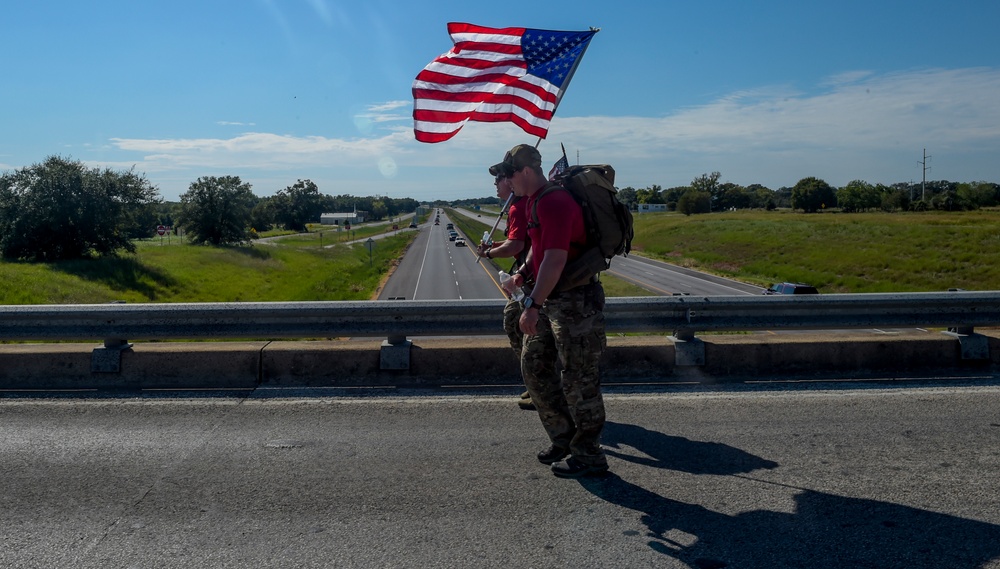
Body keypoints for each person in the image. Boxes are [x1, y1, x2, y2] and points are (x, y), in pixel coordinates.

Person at [493, 144, 609, 478]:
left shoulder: (555, 201)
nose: (506, 182)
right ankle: (564, 439)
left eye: (509, 175)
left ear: (525, 172)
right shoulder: (535, 202)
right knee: (534, 366)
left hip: (575, 302)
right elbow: (538, 251)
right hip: (551, 297)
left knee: (579, 379)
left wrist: (533, 304)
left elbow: (557, 258)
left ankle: (589, 455)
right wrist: (522, 274)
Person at [478, 167, 533, 410]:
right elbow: (518, 242)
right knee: (519, 325)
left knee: (517, 324)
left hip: (530, 278)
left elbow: (516, 245)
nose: (496, 185)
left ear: (509, 183)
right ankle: (537, 386)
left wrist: (489, 252)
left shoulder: (517, 207)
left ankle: (539, 386)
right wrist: (494, 246)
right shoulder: (522, 205)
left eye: (498, 180)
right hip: (529, 275)